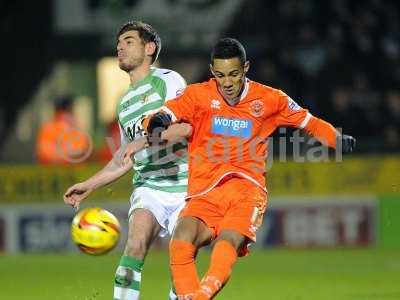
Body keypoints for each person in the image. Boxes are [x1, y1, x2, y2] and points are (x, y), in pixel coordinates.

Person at [122, 37, 356, 299]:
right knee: (180, 242)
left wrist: (336, 139)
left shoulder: (270, 99)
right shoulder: (198, 95)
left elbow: (308, 122)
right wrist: (157, 123)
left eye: (234, 74)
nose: (228, 82)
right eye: (221, 75)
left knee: (227, 242)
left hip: (246, 190)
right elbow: (167, 112)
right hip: (204, 192)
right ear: (212, 71)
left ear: (246, 68)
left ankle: (201, 295)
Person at [63, 21, 190, 300]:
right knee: (134, 246)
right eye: (118, 42)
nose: (119, 46)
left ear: (149, 48)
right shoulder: (124, 104)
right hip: (149, 186)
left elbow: (187, 128)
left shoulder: (168, 81)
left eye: (128, 41)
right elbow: (124, 158)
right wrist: (90, 184)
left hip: (187, 186)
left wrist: (144, 139)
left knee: (182, 258)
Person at [36, 95, 90, 165]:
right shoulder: (75, 128)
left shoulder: (47, 127)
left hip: (52, 170)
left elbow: (42, 152)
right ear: (70, 109)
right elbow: (79, 152)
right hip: (70, 171)